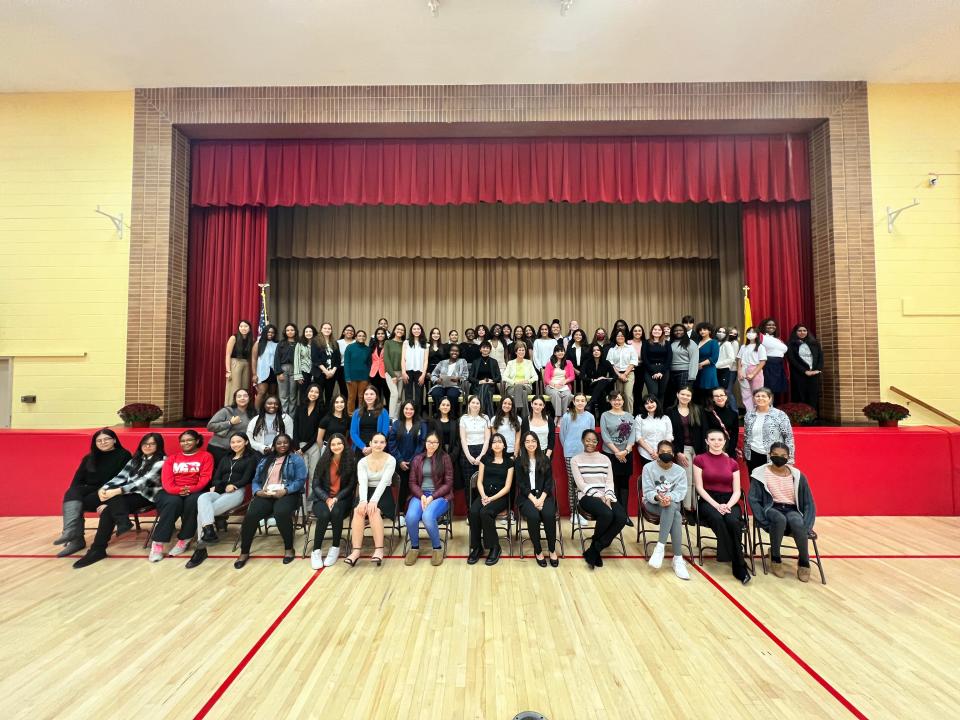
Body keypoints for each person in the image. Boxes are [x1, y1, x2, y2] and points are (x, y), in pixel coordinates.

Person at [71, 433, 165, 568]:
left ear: (158, 446)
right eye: (145, 443)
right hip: (125, 496)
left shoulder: (162, 461)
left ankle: (98, 549)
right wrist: (105, 489)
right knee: (95, 501)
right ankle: (121, 523)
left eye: (152, 444)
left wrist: (115, 493)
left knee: (111, 503)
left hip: (145, 497)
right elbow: (120, 477)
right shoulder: (135, 460)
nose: (147, 446)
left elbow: (141, 483)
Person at [185, 431, 258, 569]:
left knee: (202, 513)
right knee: (203, 497)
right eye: (233, 442)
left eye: (239, 441)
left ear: (246, 442)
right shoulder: (225, 458)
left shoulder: (251, 459)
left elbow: (246, 479)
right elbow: (216, 478)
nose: (235, 444)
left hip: (236, 492)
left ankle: (201, 549)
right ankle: (208, 531)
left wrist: (234, 485)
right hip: (220, 491)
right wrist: (223, 486)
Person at [55, 428, 132, 557]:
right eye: (99, 440)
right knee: (73, 492)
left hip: (110, 493)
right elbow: (77, 480)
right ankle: (72, 535)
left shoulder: (123, 455)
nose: (103, 442)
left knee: (75, 502)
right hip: (91, 491)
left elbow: (126, 480)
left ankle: (74, 537)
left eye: (106, 439)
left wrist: (111, 502)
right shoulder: (89, 458)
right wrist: (74, 495)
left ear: (114, 440)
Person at [234, 434, 307, 568]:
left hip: (288, 494)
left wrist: (285, 490)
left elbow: (300, 480)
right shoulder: (265, 460)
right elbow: (256, 480)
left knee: (281, 512)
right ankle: (244, 552)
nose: (282, 445)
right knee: (251, 515)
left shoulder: (296, 459)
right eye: (279, 443)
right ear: (274, 445)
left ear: (290, 444)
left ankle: (289, 548)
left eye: (285, 443)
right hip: (266, 494)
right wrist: (258, 491)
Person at [749, 441, 817, 582]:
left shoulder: (797, 475)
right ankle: (775, 558)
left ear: (788, 456)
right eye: (775, 455)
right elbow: (753, 499)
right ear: (769, 455)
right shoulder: (760, 473)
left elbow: (809, 503)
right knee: (779, 518)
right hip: (771, 507)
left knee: (797, 521)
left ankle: (804, 561)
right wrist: (762, 520)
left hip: (791, 508)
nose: (779, 457)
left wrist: (808, 526)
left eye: (783, 455)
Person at [694, 429, 750, 584]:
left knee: (733, 521)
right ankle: (739, 565)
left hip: (729, 500)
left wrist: (728, 505)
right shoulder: (699, 459)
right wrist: (717, 505)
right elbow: (699, 488)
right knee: (718, 519)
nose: (716, 442)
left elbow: (737, 490)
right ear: (707, 441)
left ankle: (731, 557)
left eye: (720, 439)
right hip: (708, 500)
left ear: (725, 442)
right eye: (712, 439)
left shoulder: (732, 462)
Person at [150, 430, 214, 562]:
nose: (186, 443)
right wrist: (178, 491)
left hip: (196, 490)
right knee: (173, 503)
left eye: (189, 440)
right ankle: (157, 544)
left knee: (193, 502)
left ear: (197, 441)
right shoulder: (172, 459)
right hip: (172, 491)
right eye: (183, 441)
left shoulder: (206, 456)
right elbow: (166, 481)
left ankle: (184, 539)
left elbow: (205, 478)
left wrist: (191, 489)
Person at [571, 429, 628, 568]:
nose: (591, 443)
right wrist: (599, 496)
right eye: (588, 440)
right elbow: (580, 484)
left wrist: (608, 496)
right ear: (583, 440)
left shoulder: (605, 459)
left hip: (607, 495)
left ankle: (595, 548)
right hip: (587, 496)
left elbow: (609, 481)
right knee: (607, 514)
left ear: (597, 442)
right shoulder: (576, 459)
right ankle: (596, 550)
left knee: (621, 517)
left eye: (594, 440)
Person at [343, 433, 397, 567]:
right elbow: (362, 483)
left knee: (374, 511)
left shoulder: (391, 460)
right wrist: (363, 501)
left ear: (385, 444)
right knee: (358, 511)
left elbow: (384, 482)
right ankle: (355, 552)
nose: (379, 445)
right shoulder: (362, 462)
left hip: (384, 492)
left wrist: (373, 502)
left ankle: (379, 550)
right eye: (376, 442)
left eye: (382, 442)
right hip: (365, 492)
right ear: (370, 443)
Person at [640, 439, 691, 580]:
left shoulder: (680, 471)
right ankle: (677, 559)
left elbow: (681, 492)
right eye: (662, 452)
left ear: (673, 454)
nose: (666, 454)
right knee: (676, 515)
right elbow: (648, 491)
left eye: (669, 452)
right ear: (657, 453)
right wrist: (658, 498)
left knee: (673, 510)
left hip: (671, 503)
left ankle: (660, 548)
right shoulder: (648, 468)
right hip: (653, 504)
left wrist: (668, 498)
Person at [404, 430, 454, 566]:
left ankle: (437, 548)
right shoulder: (418, 459)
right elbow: (412, 482)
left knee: (427, 516)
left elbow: (448, 483)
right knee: (410, 517)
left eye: (434, 442)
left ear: (439, 444)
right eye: (429, 442)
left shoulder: (445, 458)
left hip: (440, 496)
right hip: (420, 495)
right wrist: (421, 496)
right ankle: (414, 548)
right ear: (425, 443)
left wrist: (432, 496)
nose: (431, 445)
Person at [309, 433, 357, 569]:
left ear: (344, 445)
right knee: (324, 515)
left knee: (336, 512)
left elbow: (351, 485)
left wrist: (335, 498)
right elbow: (315, 485)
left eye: (339, 443)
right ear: (329, 446)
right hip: (322, 498)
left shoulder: (351, 461)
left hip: (342, 499)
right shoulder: (323, 461)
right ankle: (316, 551)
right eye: (333, 444)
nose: (336, 446)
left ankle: (335, 547)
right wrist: (327, 498)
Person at [467, 433, 514, 566]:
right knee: (474, 512)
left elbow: (507, 487)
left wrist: (491, 498)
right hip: (484, 495)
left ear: (504, 445)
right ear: (491, 445)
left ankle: (494, 547)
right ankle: (477, 547)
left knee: (485, 512)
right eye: (494, 442)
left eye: (500, 441)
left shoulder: (509, 462)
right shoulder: (485, 460)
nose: (497, 444)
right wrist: (483, 496)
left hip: (500, 497)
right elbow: (479, 482)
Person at [515, 431, 559, 567]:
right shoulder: (519, 461)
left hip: (545, 496)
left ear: (537, 443)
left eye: (533, 441)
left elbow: (548, 482)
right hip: (527, 497)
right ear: (523, 444)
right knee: (533, 516)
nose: (530, 444)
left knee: (549, 514)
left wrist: (542, 499)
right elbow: (521, 484)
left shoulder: (545, 459)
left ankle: (552, 549)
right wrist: (534, 500)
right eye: (527, 441)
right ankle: (538, 550)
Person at [666, 386, 706, 512]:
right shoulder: (670, 411)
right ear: (677, 394)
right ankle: (686, 508)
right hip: (683, 450)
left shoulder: (697, 409)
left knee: (697, 479)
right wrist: (677, 452)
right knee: (687, 480)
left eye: (688, 395)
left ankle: (695, 508)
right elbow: (669, 434)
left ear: (691, 397)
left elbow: (704, 430)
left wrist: (703, 452)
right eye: (683, 394)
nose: (685, 397)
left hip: (698, 449)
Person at [599, 390, 636, 520]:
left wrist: (625, 451)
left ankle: (624, 514)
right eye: (614, 399)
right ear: (610, 401)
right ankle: (615, 513)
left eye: (619, 399)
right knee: (612, 483)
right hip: (610, 453)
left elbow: (633, 435)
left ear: (623, 401)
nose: (617, 402)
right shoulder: (605, 415)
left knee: (624, 484)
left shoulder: (629, 415)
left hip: (626, 453)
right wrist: (617, 452)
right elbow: (605, 435)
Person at [559, 393, 594, 523]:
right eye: (577, 400)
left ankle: (583, 512)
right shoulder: (567, 416)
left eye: (582, 401)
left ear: (586, 402)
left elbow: (591, 437)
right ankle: (574, 513)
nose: (580, 403)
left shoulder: (590, 417)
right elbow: (562, 436)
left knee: (583, 484)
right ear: (573, 402)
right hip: (570, 454)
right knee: (573, 483)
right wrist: (569, 448)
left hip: (585, 455)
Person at [388, 400, 427, 514]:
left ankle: (417, 514)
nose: (408, 411)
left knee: (417, 488)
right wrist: (400, 460)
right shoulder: (397, 424)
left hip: (417, 463)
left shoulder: (421, 424)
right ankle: (400, 513)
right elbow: (392, 443)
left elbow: (422, 443)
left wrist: (412, 460)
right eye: (406, 409)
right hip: (400, 463)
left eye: (411, 409)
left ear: (415, 411)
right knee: (402, 488)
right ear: (402, 410)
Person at [743, 387, 795, 473]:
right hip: (753, 455)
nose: (760, 398)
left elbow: (788, 437)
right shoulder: (749, 415)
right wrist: (746, 454)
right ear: (753, 398)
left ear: (770, 398)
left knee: (772, 483)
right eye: (757, 396)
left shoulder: (779, 415)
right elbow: (746, 436)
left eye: (764, 396)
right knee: (755, 483)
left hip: (774, 455)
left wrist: (789, 459)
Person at [207, 388, 254, 467]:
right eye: (239, 396)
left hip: (239, 450)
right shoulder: (226, 411)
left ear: (249, 398)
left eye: (245, 396)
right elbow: (210, 426)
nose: (242, 398)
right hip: (219, 448)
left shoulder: (253, 413)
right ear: (235, 399)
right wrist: (230, 423)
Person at [787, 324, 824, 415]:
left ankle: (813, 417)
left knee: (813, 396)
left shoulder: (814, 343)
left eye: (804, 330)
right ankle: (801, 417)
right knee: (800, 396)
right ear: (795, 332)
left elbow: (820, 357)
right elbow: (792, 360)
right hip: (799, 374)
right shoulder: (791, 344)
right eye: (799, 331)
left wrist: (818, 370)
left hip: (814, 374)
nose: (802, 332)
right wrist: (804, 371)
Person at [458, 395, 491, 493]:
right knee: (469, 484)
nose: (475, 405)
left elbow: (487, 439)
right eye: (473, 402)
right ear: (468, 404)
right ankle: (470, 507)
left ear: (480, 405)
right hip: (467, 451)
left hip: (482, 450)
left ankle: (482, 506)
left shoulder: (485, 418)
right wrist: (469, 456)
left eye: (477, 403)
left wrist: (481, 456)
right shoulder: (463, 418)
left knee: (483, 482)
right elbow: (463, 439)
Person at [634, 395, 673, 472]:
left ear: (657, 403)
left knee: (662, 480)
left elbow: (669, 436)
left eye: (652, 402)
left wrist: (660, 452)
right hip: (645, 453)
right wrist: (652, 452)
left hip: (663, 454)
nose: (650, 405)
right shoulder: (639, 418)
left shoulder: (665, 418)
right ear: (643, 406)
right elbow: (638, 437)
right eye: (646, 403)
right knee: (649, 479)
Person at [350, 386, 392, 456]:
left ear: (376, 396)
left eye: (371, 394)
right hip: (360, 448)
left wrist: (372, 447)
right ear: (363, 396)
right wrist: (363, 447)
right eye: (366, 394)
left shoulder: (383, 412)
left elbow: (384, 432)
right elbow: (353, 433)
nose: (369, 396)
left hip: (378, 447)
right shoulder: (357, 412)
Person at [295, 383, 324, 479]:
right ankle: (301, 495)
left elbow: (317, 432)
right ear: (307, 392)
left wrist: (305, 448)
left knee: (313, 476)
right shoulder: (299, 408)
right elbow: (295, 428)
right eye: (311, 391)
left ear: (319, 395)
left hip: (313, 446)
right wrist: (297, 447)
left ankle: (312, 495)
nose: (313, 394)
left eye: (316, 392)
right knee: (301, 477)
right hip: (300, 447)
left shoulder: (321, 410)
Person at [606, 329, 639, 414]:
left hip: (629, 373)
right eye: (618, 336)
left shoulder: (630, 348)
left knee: (628, 395)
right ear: (615, 337)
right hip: (617, 375)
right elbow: (610, 364)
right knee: (618, 396)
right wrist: (619, 375)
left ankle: (629, 416)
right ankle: (620, 415)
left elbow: (633, 362)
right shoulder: (612, 350)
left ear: (625, 337)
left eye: (622, 336)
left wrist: (624, 374)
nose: (620, 337)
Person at [430, 343, 469, 413]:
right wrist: (437, 380)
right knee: (436, 393)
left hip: (455, 386)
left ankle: (452, 415)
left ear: (459, 353)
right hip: (441, 385)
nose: (454, 352)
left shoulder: (463, 361)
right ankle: (439, 414)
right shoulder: (442, 362)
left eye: (457, 351)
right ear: (449, 352)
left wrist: (459, 378)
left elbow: (466, 375)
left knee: (452, 395)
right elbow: (433, 374)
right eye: (452, 350)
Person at [503, 340, 537, 420]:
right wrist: (515, 382)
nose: (521, 352)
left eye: (523, 350)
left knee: (522, 389)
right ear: (516, 352)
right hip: (512, 387)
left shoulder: (529, 363)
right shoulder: (510, 363)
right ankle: (525, 417)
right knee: (523, 393)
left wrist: (527, 381)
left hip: (526, 386)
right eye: (519, 350)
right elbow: (504, 377)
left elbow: (536, 377)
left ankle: (516, 412)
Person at [738, 327, 768, 412]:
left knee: (758, 393)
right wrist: (739, 371)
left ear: (757, 335)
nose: (750, 334)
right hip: (744, 369)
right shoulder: (743, 346)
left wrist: (753, 373)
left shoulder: (760, 347)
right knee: (746, 394)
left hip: (755, 369)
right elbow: (739, 359)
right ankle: (750, 413)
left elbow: (762, 362)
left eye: (753, 332)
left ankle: (759, 413)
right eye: (749, 332)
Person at [668, 324, 700, 405]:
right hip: (671, 373)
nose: (678, 332)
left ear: (684, 331)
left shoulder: (690, 343)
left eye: (680, 330)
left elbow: (694, 360)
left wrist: (692, 376)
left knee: (683, 396)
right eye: (675, 330)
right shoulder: (670, 343)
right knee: (673, 396)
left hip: (685, 373)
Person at [469, 340, 502, 417]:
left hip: (491, 386)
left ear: (490, 350)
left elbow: (499, 377)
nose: (485, 349)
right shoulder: (475, 362)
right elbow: (470, 377)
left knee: (486, 386)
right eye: (483, 347)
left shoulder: (494, 362)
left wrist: (492, 381)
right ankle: (489, 416)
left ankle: (480, 413)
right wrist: (479, 381)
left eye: (487, 348)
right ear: (480, 349)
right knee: (485, 388)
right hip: (477, 387)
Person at [223, 319, 253, 405]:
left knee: (244, 387)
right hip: (235, 362)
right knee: (235, 388)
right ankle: (230, 409)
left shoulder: (251, 339)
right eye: (241, 326)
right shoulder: (234, 338)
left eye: (246, 326)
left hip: (246, 363)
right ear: (238, 328)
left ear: (249, 328)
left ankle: (243, 409)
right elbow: (228, 354)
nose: (243, 328)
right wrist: (228, 371)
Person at [313, 322, 341, 412]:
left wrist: (332, 371)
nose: (327, 330)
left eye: (329, 328)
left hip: (332, 374)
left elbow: (338, 360)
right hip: (320, 373)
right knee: (319, 396)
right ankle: (319, 414)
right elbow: (315, 359)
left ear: (331, 330)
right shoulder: (315, 342)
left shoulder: (335, 343)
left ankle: (328, 414)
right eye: (325, 328)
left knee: (329, 396)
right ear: (321, 329)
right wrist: (326, 371)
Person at [582, 342, 615, 418]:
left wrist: (605, 378)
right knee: (601, 392)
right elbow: (581, 376)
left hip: (603, 387)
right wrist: (593, 379)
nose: (596, 352)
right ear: (592, 352)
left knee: (602, 388)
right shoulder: (587, 362)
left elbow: (614, 376)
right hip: (591, 386)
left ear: (601, 351)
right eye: (594, 350)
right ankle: (601, 419)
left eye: (598, 350)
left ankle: (590, 404)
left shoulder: (606, 362)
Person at [704, 387, 739, 459]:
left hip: (728, 447)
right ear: (713, 399)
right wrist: (717, 449)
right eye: (716, 396)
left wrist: (730, 450)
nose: (719, 398)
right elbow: (705, 431)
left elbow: (734, 434)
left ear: (726, 397)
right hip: (712, 447)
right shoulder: (707, 413)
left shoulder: (733, 413)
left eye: (721, 395)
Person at [642, 324, 672, 405]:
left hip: (664, 370)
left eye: (659, 330)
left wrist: (661, 372)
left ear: (662, 332)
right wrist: (653, 372)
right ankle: (652, 412)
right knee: (653, 393)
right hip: (650, 370)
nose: (657, 331)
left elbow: (669, 359)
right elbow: (644, 358)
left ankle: (659, 414)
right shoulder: (646, 343)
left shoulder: (667, 343)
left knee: (661, 393)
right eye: (655, 329)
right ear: (652, 331)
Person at [401, 322, 428, 413]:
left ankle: (418, 416)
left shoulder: (426, 344)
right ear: (411, 331)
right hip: (408, 371)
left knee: (418, 395)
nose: (416, 330)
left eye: (418, 329)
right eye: (414, 329)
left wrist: (423, 375)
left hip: (420, 372)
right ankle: (408, 414)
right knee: (408, 394)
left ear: (421, 331)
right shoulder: (406, 342)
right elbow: (403, 359)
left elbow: (425, 361)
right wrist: (403, 372)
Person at [274, 322, 299, 415]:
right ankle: (284, 417)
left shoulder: (299, 343)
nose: (290, 332)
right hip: (283, 369)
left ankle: (291, 418)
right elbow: (276, 358)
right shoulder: (281, 343)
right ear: (285, 332)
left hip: (295, 370)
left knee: (293, 396)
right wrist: (279, 373)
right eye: (288, 330)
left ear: (295, 331)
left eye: (292, 330)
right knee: (283, 395)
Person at [343, 329, 371, 414]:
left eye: (363, 336)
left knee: (362, 397)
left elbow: (369, 364)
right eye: (359, 335)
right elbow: (346, 363)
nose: (361, 337)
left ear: (365, 338)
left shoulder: (368, 349)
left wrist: (368, 377)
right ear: (356, 337)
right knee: (351, 397)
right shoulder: (350, 347)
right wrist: (347, 377)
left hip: (364, 377)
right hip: (351, 377)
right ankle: (350, 415)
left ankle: (361, 414)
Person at [759, 317, 789, 396]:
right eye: (768, 325)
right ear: (764, 326)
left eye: (773, 325)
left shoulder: (778, 339)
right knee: (768, 391)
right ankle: (766, 408)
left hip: (779, 366)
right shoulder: (761, 336)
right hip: (768, 366)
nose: (771, 326)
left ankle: (774, 408)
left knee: (777, 392)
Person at [251, 323, 278, 410]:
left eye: (272, 332)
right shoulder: (259, 343)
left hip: (274, 372)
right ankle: (257, 414)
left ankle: (270, 411)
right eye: (268, 332)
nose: (270, 334)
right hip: (262, 372)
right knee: (262, 392)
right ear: (265, 332)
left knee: (272, 394)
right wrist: (254, 374)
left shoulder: (277, 344)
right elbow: (254, 359)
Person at [544, 343, 574, 417]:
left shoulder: (568, 363)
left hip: (564, 386)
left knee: (567, 395)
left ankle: (562, 417)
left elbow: (572, 376)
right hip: (551, 386)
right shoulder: (550, 363)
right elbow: (546, 378)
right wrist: (554, 385)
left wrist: (564, 381)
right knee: (556, 394)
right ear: (554, 353)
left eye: (562, 351)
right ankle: (558, 416)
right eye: (558, 351)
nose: (560, 353)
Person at [384, 323, 406, 420]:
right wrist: (392, 375)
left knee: (400, 396)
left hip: (402, 373)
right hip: (390, 373)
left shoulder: (405, 343)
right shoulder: (388, 342)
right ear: (394, 330)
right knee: (395, 394)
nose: (400, 331)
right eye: (398, 329)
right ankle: (391, 417)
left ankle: (396, 418)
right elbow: (386, 359)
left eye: (402, 330)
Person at [292, 324, 319, 406]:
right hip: (303, 372)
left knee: (315, 394)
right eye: (306, 331)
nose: (308, 333)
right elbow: (296, 360)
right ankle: (303, 415)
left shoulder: (318, 344)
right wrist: (298, 375)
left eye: (310, 331)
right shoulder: (300, 344)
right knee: (304, 395)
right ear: (304, 333)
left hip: (316, 372)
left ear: (313, 332)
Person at [714, 326, 739, 414]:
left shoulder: (727, 344)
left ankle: (734, 412)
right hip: (714, 371)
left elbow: (732, 358)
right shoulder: (714, 343)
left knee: (725, 392)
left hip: (724, 370)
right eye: (719, 331)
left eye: (723, 332)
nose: (721, 333)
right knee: (716, 392)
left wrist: (717, 365)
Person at [694, 322, 720, 403]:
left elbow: (714, 358)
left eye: (704, 330)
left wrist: (701, 364)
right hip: (697, 371)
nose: (702, 331)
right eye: (700, 330)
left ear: (709, 331)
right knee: (698, 394)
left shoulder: (714, 342)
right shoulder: (696, 342)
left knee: (708, 395)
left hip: (708, 370)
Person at [368, 327, 389, 407]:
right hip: (374, 373)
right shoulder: (372, 345)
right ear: (376, 335)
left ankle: (388, 411)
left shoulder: (388, 344)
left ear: (385, 335)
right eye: (378, 333)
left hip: (386, 372)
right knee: (376, 393)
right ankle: (377, 410)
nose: (380, 335)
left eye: (382, 333)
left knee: (387, 393)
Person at [564, 328, 589, 392]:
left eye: (580, 335)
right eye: (576, 335)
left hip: (585, 370)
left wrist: (582, 371)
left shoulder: (587, 347)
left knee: (584, 389)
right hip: (572, 370)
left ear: (582, 336)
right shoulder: (570, 347)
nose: (578, 336)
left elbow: (588, 360)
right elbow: (567, 361)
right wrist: (575, 370)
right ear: (573, 336)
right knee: (573, 390)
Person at [336, 324, 356, 400]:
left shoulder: (356, 342)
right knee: (343, 390)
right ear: (343, 332)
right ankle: (344, 410)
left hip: (353, 369)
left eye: (351, 330)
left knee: (353, 391)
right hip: (341, 369)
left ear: (354, 333)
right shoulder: (338, 342)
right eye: (347, 330)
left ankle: (354, 410)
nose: (349, 332)